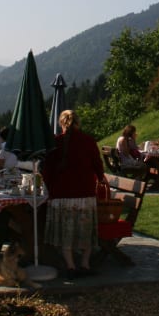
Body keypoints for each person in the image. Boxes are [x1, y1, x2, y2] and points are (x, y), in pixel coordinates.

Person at [41, 109, 105, 279]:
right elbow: (98, 165)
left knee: (66, 233)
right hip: (84, 192)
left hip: (61, 194)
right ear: (78, 122)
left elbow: (46, 170)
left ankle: (70, 266)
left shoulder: (55, 142)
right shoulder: (88, 141)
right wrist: (100, 178)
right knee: (85, 231)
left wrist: (49, 188)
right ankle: (85, 264)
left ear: (61, 123)